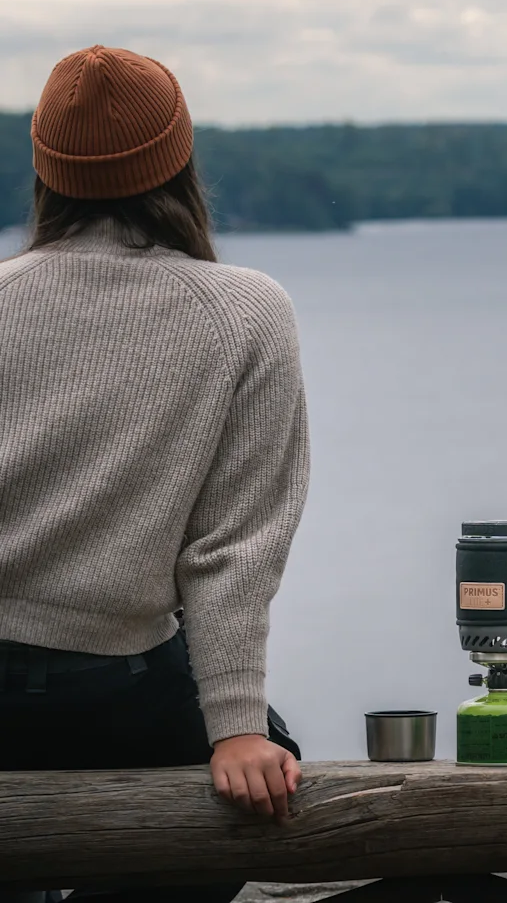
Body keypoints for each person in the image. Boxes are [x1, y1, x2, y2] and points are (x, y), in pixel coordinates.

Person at [0, 46, 310, 902]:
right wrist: (239, 728)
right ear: (179, 161)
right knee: (267, 779)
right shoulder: (246, 312)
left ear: (45, 168)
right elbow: (235, 550)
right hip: (118, 691)